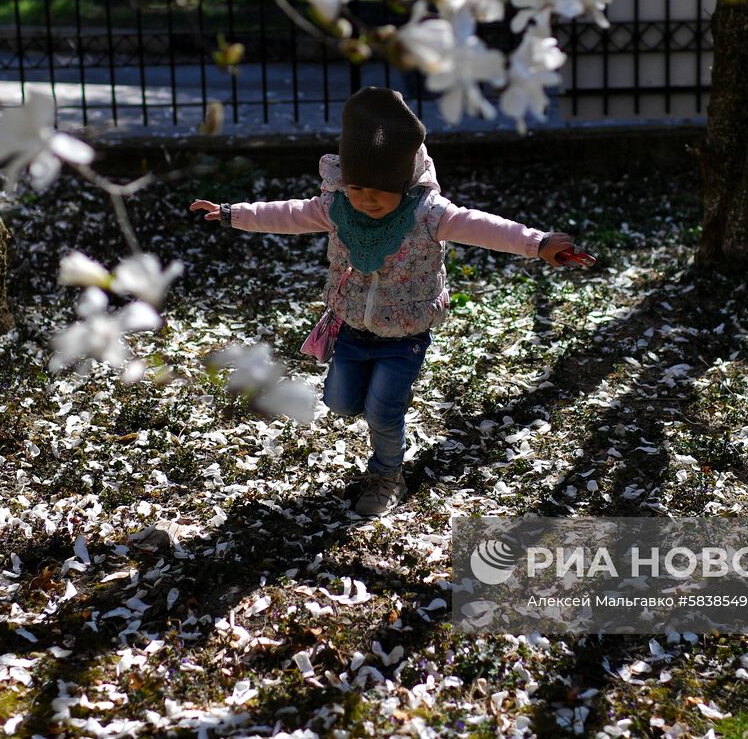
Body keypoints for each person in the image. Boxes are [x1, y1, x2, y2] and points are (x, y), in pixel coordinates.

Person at [190, 87, 576, 516]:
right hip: (352, 327)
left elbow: (485, 227)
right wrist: (233, 213)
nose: (366, 199)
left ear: (402, 182)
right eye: (357, 187)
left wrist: (537, 243)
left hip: (405, 334)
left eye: (379, 190)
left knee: (382, 412)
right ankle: (377, 433)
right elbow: (288, 214)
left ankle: (387, 476)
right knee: (340, 402)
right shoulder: (337, 207)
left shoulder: (429, 215)